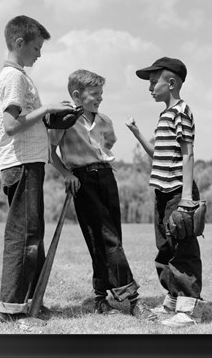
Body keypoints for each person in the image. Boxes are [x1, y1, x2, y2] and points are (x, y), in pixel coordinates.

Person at [49, 69, 156, 321]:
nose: (100, 98)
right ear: (77, 95)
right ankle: (132, 300)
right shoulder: (64, 120)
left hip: (107, 177)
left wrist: (100, 164)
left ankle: (100, 298)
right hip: (82, 180)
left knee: (109, 236)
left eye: (101, 94)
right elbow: (50, 152)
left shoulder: (105, 121)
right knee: (106, 239)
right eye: (94, 94)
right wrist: (67, 174)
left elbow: (108, 144)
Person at [0, 15, 74, 325]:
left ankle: (32, 301)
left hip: (29, 163)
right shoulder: (14, 78)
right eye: (37, 48)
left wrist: (52, 120)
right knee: (24, 236)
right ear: (19, 43)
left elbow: (28, 124)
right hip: (21, 164)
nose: (39, 54)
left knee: (32, 235)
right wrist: (49, 108)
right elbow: (12, 125)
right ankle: (11, 308)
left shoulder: (19, 77)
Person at [126, 56, 204, 328]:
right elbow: (158, 154)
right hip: (162, 191)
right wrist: (137, 133)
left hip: (177, 192)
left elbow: (188, 154)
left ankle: (188, 309)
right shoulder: (165, 115)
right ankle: (172, 301)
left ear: (170, 83)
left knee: (183, 250)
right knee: (165, 248)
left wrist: (186, 197)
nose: (149, 87)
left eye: (153, 82)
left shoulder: (181, 111)